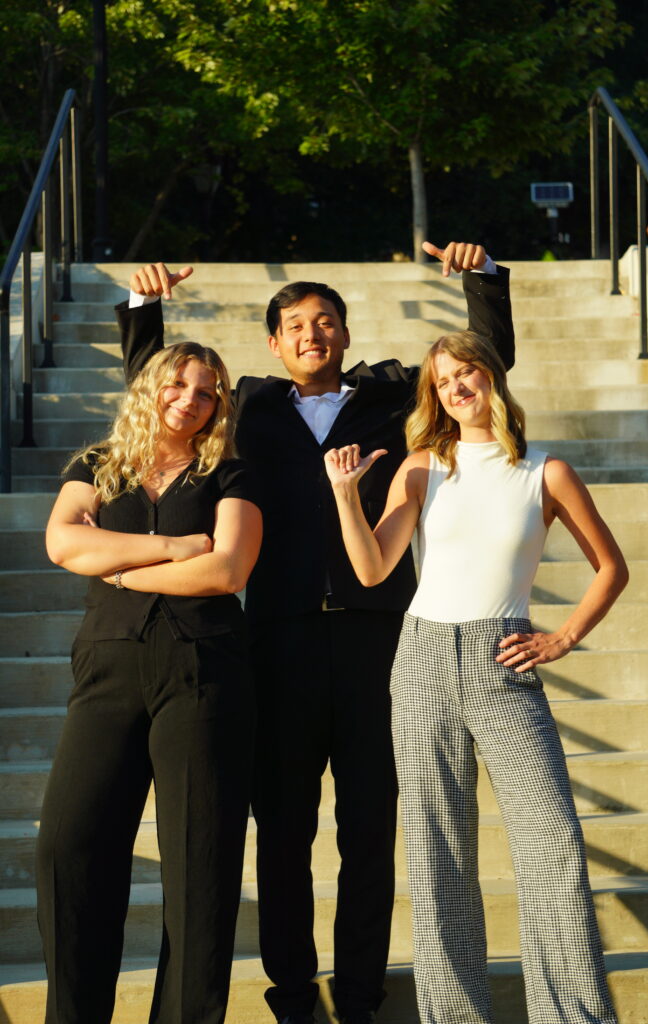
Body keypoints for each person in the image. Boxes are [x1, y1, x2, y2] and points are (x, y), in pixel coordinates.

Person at [115, 240, 515, 1024]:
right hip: (277, 641)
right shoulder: (250, 408)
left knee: (369, 828)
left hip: (379, 641)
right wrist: (145, 311)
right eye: (295, 323)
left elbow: (482, 369)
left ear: (343, 333)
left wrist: (482, 278)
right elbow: (156, 397)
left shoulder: (393, 394)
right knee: (285, 833)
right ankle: (294, 998)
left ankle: (359, 997)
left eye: (325, 320)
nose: (312, 333)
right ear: (272, 343)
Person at [323, 329, 628, 1024]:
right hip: (423, 657)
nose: (458, 387)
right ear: (433, 395)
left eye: (467, 372)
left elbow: (610, 568)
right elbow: (372, 569)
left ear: (491, 377)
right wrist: (345, 495)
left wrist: (563, 636)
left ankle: (573, 1015)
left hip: (504, 653)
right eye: (443, 380)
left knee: (551, 842)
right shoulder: (421, 466)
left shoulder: (545, 472)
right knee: (437, 852)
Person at [36, 342, 263, 1024]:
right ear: (150, 389)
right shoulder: (99, 464)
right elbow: (62, 543)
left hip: (203, 671)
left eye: (206, 392)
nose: (189, 400)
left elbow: (226, 572)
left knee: (200, 864)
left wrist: (122, 568)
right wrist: (170, 549)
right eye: (178, 385)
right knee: (67, 846)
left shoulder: (230, 472)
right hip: (108, 665)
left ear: (218, 404)